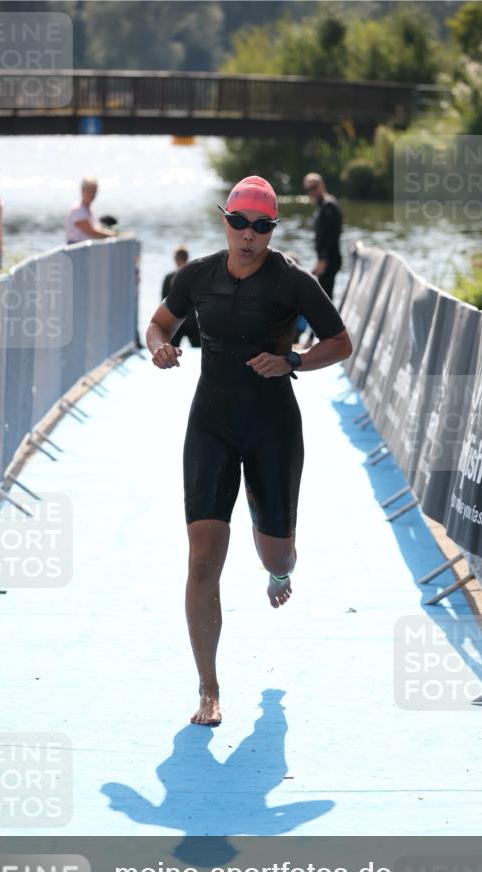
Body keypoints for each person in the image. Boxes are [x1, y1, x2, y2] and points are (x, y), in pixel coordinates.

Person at [144, 175, 352, 726]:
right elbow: (160, 323)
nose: (249, 235)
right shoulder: (198, 276)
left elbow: (340, 341)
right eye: (240, 222)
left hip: (272, 429)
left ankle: (282, 572)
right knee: (203, 559)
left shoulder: (292, 281)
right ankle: (208, 688)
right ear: (226, 220)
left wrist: (294, 361)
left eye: (261, 226)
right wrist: (160, 347)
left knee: (274, 553)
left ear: (272, 229)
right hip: (211, 424)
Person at [303, 172, 343, 299]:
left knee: (325, 297)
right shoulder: (322, 206)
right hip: (324, 259)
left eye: (314, 187)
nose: (312, 191)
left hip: (330, 260)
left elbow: (331, 235)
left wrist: (323, 260)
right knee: (323, 294)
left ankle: (330, 319)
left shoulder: (329, 205)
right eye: (309, 189)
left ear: (322, 185)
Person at [161, 246, 201, 349]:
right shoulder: (195, 276)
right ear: (187, 258)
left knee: (171, 353)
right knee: (199, 352)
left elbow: (163, 301)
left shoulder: (169, 277)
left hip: (174, 322)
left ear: (175, 259)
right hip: (191, 321)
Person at [65, 177, 117, 244]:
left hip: (88, 250)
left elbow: (98, 230)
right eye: (90, 190)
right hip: (77, 250)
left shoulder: (90, 210)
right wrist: (114, 235)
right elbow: (92, 232)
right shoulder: (77, 210)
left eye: (94, 190)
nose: (92, 194)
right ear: (82, 190)